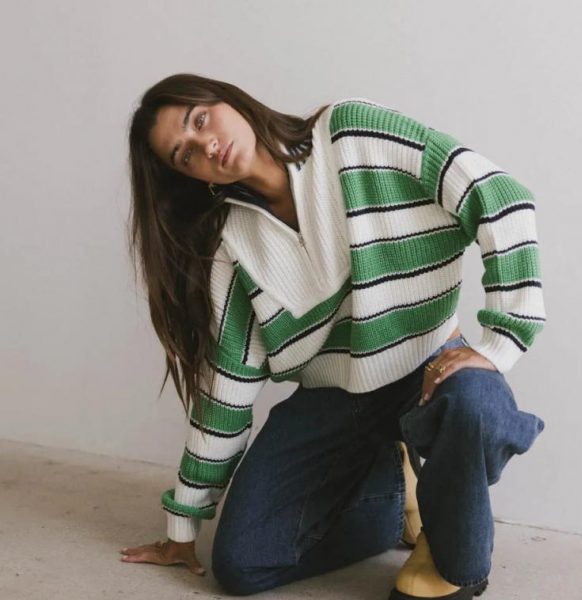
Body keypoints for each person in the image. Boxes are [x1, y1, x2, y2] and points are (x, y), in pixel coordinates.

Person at [121, 73, 546, 600]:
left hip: (430, 366)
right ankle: (400, 492)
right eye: (185, 155)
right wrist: (183, 526)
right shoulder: (232, 248)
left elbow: (499, 196)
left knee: (474, 402)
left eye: (200, 119)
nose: (206, 145)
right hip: (336, 400)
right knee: (241, 563)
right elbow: (225, 392)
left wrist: (498, 341)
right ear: (193, 178)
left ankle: (451, 553)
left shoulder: (352, 133)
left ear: (230, 99)